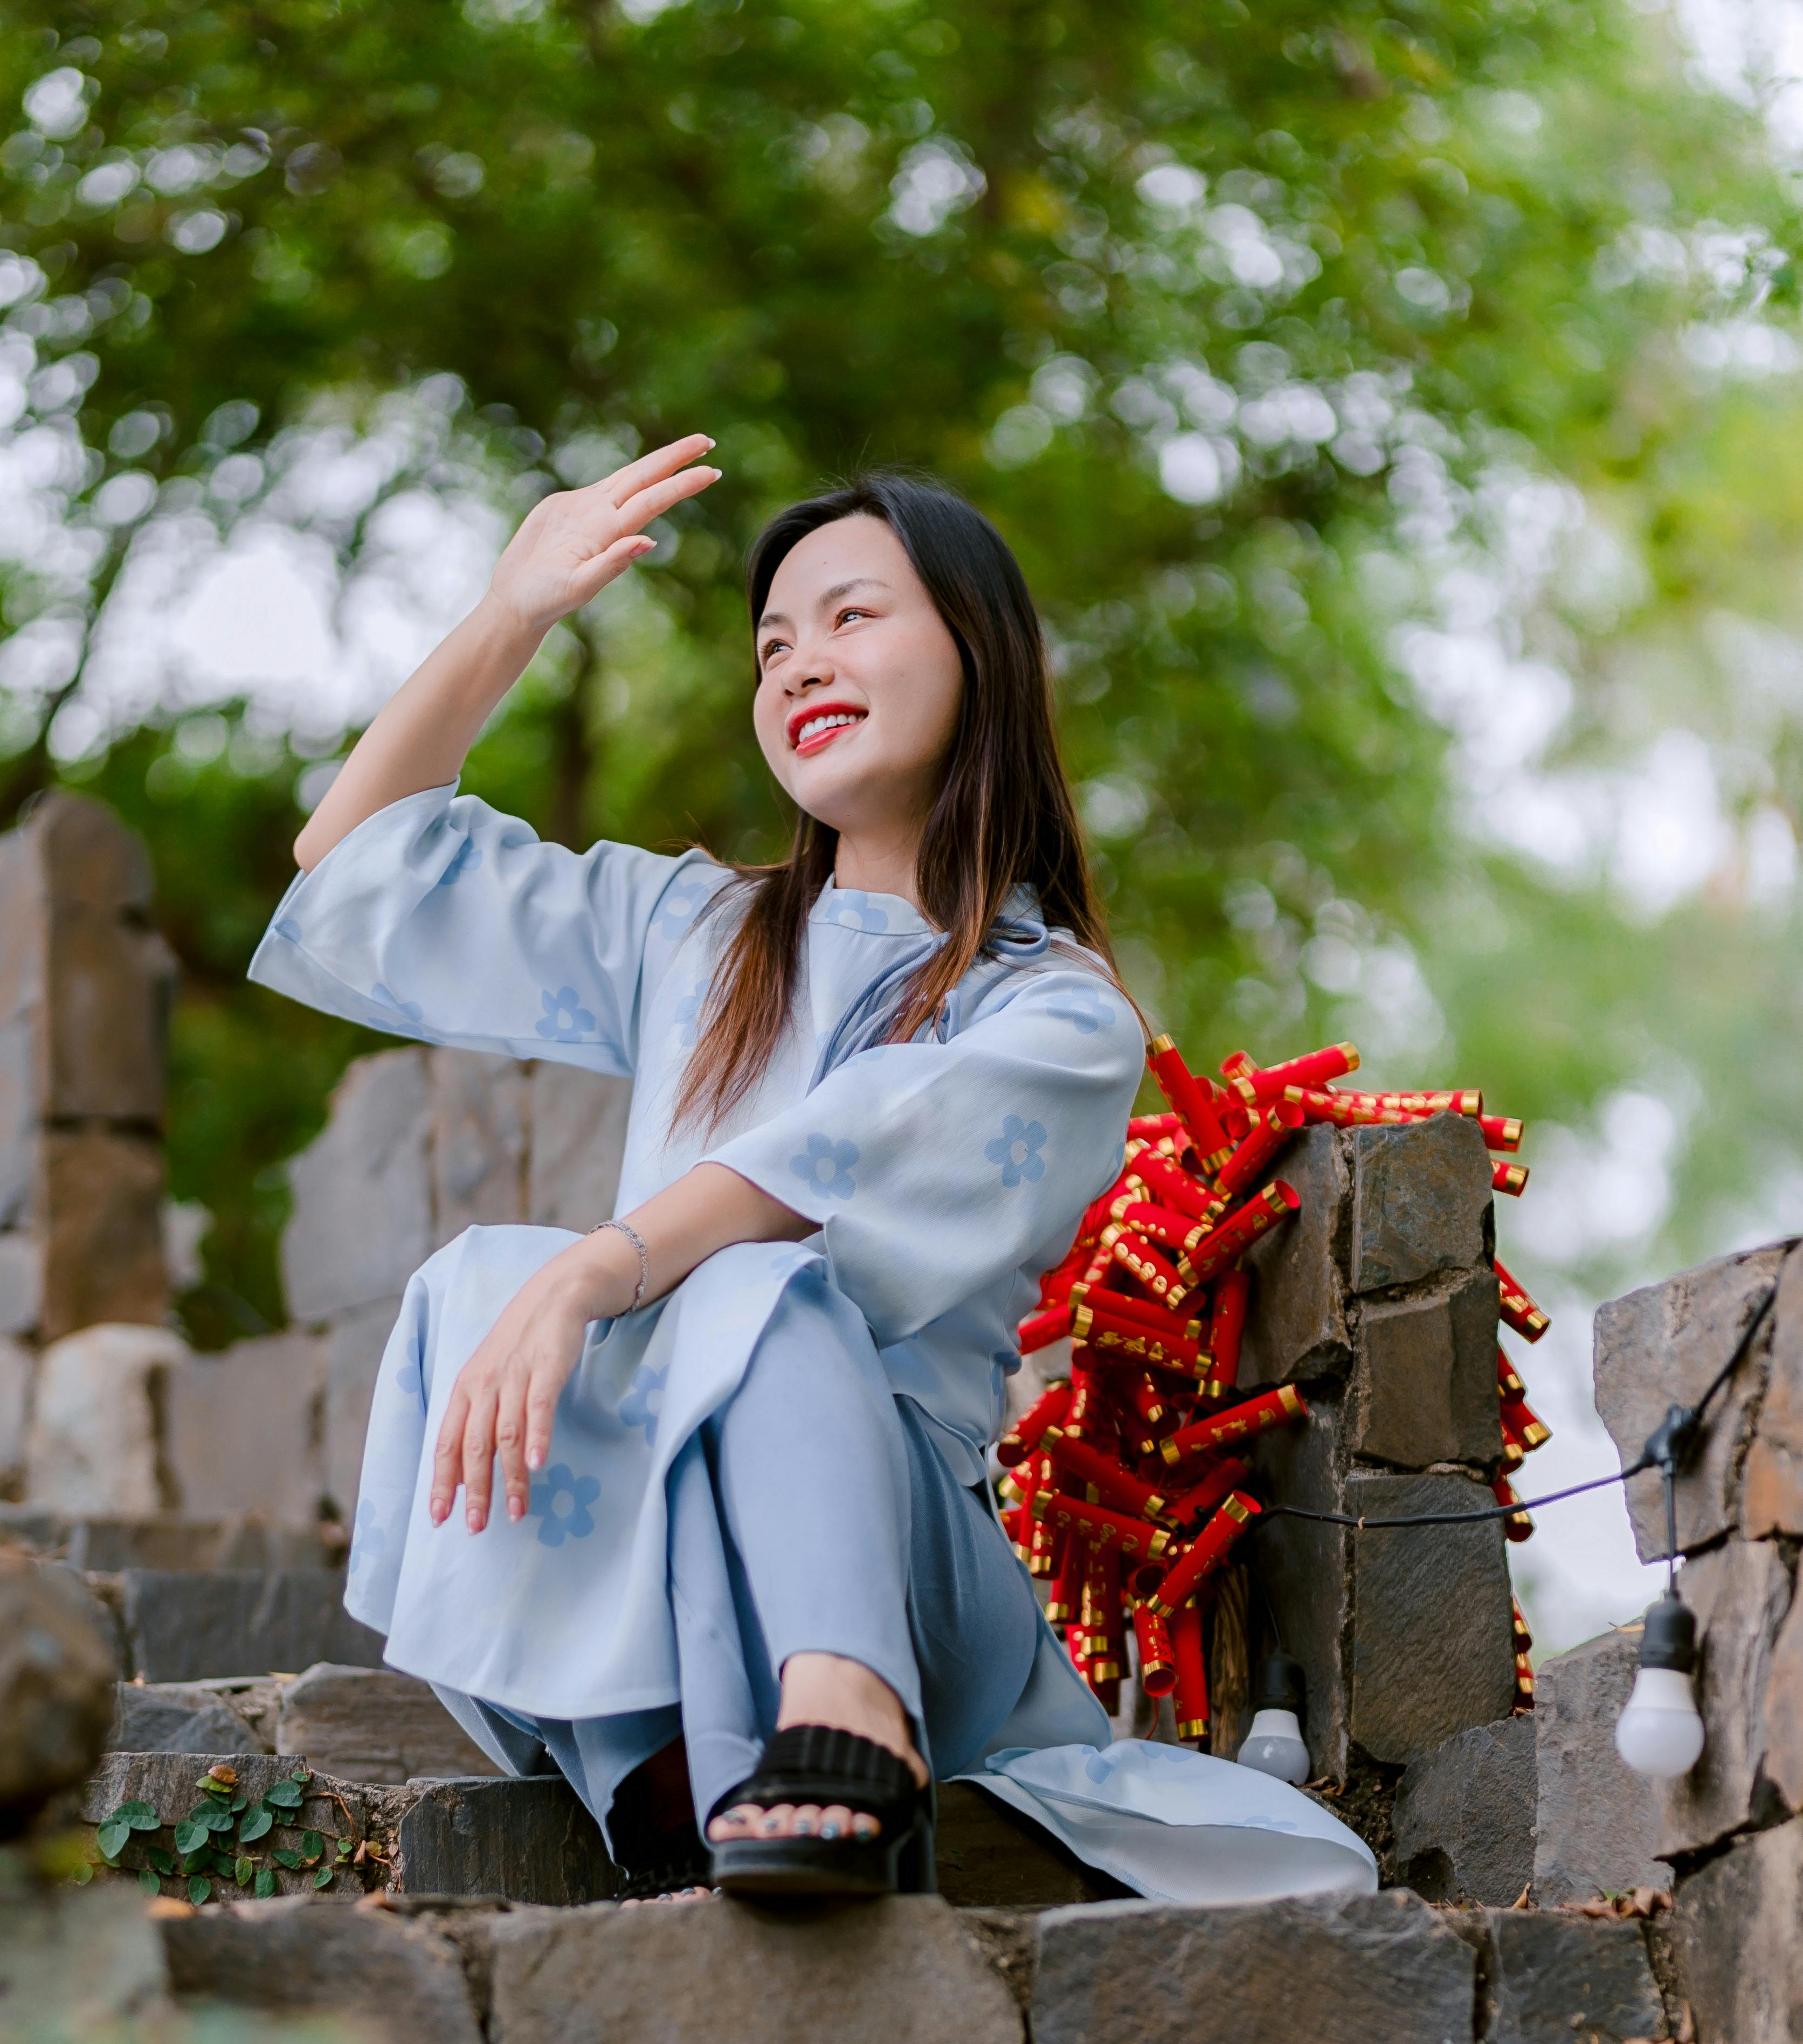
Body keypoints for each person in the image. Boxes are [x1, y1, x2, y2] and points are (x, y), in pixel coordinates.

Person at [251, 441, 1374, 1906]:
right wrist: (511, 612)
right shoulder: (695, 934)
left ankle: (848, 1710)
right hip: (651, 1560)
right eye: (773, 644)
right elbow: (352, 864)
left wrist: (604, 1267)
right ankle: (675, 1778)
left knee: (762, 1287)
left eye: (851, 616)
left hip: (903, 1565)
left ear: (977, 651)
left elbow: (828, 1171)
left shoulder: (1058, 1014)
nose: (799, 665)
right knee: (482, 1281)